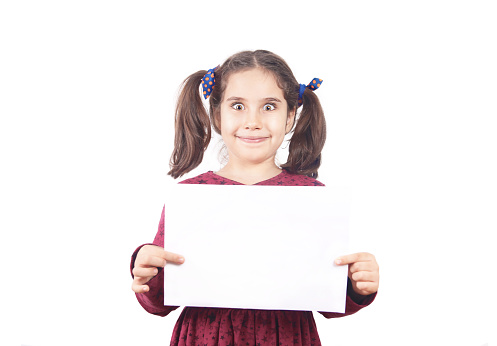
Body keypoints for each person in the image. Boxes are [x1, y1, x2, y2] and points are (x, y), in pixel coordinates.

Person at [130, 50, 379, 345]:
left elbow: (326, 295)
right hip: (205, 337)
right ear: (217, 115)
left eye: (269, 107)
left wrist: (356, 286)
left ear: (289, 117)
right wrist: (147, 270)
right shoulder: (191, 196)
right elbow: (160, 302)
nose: (253, 121)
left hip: (286, 337)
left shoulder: (312, 198)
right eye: (237, 106)